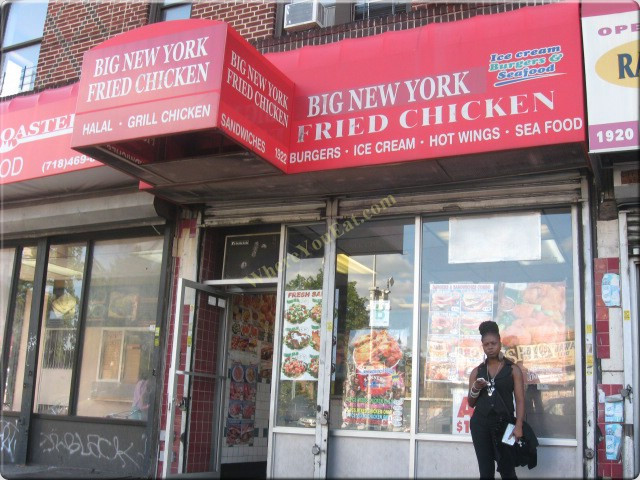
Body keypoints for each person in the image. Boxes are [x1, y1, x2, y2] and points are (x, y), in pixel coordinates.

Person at [468, 321, 525, 479]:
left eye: (493, 343)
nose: (490, 347)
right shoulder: (476, 371)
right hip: (480, 424)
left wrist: (519, 425)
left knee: (507, 470)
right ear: (482, 346)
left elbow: (520, 400)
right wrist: (476, 388)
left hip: (505, 425)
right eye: (486, 344)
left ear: (500, 343)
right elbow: (471, 403)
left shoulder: (512, 369)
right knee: (486, 472)